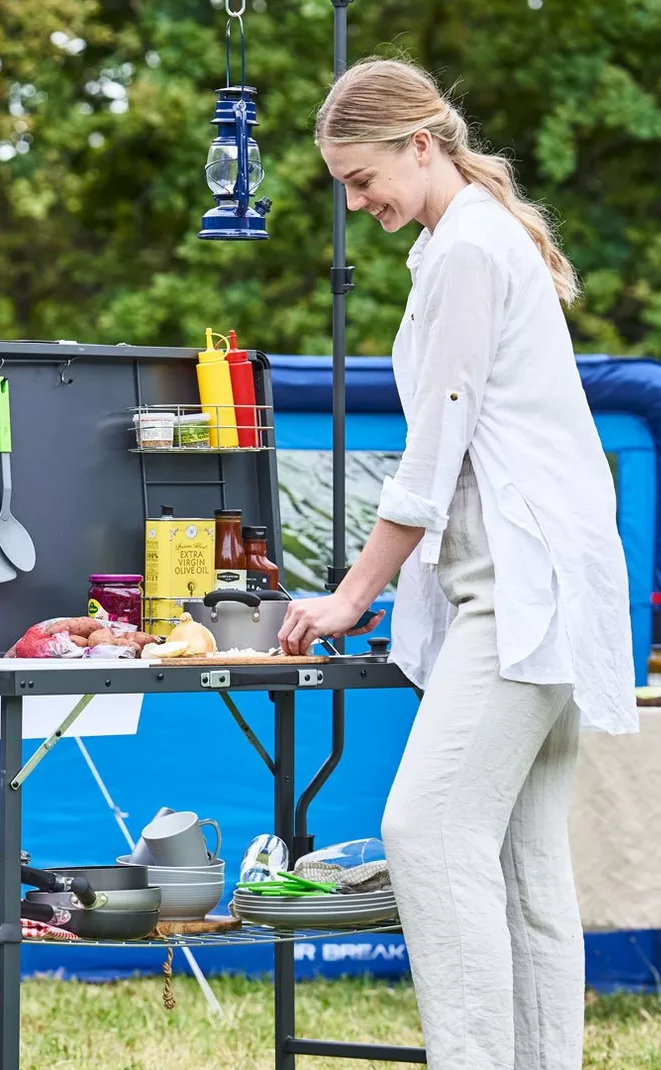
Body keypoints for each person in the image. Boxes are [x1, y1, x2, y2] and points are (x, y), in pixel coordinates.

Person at [277, 58, 638, 1070]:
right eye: (344, 185)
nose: (358, 204)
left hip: (522, 592)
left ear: (421, 145)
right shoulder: (464, 239)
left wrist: (354, 593)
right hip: (533, 582)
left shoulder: (471, 249)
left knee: (426, 828)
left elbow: (432, 457)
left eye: (362, 179)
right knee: (524, 865)